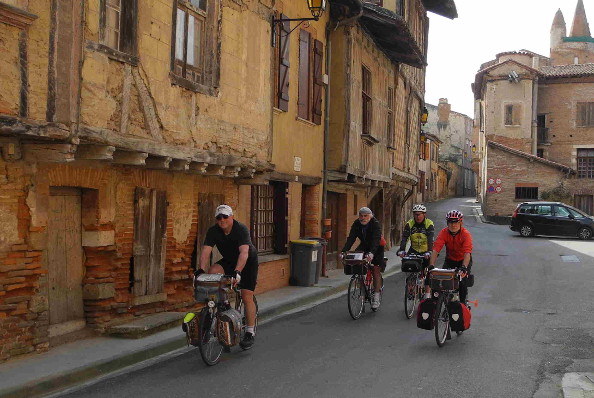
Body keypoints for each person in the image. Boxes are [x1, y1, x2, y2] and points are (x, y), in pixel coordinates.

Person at [196, 204, 258, 349]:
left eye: (225, 216)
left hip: (247, 262)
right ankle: (223, 305)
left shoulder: (240, 229)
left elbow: (244, 253)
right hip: (230, 260)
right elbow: (206, 252)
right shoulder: (213, 231)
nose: (222, 220)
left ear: (232, 217)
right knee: (213, 271)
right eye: (219, 217)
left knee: (246, 295)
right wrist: (200, 270)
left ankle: (250, 331)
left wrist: (238, 272)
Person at [341, 207, 384, 309]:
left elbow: (376, 239)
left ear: (370, 216)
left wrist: (372, 253)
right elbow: (351, 238)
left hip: (377, 247)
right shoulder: (357, 223)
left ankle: (376, 297)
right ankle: (363, 291)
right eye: (361, 216)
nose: (363, 218)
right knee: (357, 266)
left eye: (365, 216)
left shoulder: (375, 224)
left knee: (375, 270)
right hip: (364, 246)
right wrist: (344, 251)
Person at [428, 210, 473, 303]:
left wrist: (464, 267)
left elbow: (467, 253)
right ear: (447, 223)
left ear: (461, 222)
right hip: (450, 260)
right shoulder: (444, 233)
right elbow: (435, 250)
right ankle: (442, 303)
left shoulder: (465, 234)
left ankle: (463, 303)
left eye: (456, 222)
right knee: (443, 281)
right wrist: (431, 265)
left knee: (462, 282)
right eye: (450, 222)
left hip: (463, 260)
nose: (453, 225)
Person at [397, 204, 434, 298]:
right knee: (409, 268)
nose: (417, 216)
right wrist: (402, 250)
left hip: (426, 251)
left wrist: (429, 251)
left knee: (429, 272)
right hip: (414, 250)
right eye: (415, 214)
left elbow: (430, 239)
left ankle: (427, 294)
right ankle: (410, 287)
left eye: (419, 214)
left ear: (424, 214)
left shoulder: (429, 223)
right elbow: (405, 238)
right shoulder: (409, 224)